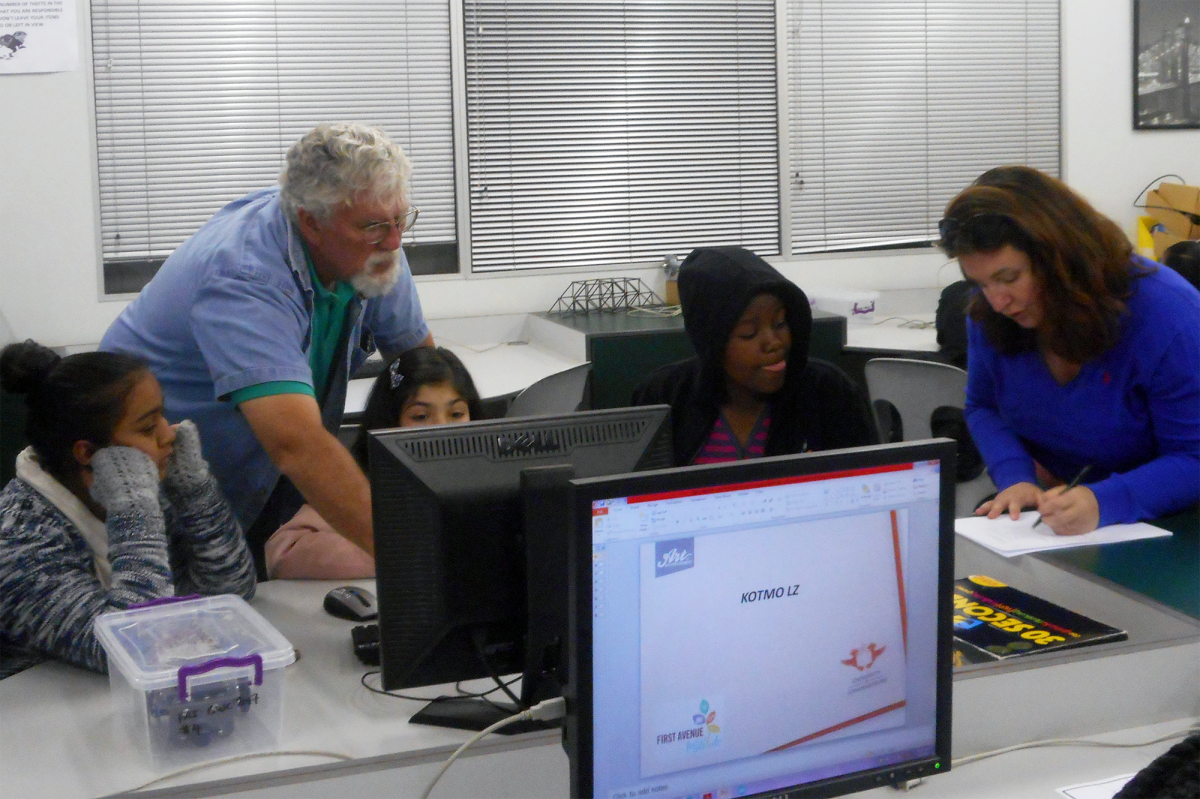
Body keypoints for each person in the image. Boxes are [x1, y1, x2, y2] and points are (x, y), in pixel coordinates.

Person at [100, 123, 434, 578]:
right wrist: (426, 560)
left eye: (401, 220)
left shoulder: (372, 241)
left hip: (263, 468)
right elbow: (296, 445)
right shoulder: (246, 275)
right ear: (310, 222)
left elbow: (423, 371)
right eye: (375, 226)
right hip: (159, 478)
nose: (394, 241)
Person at [941, 165, 1200, 536]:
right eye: (980, 283)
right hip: (1061, 519)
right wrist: (1015, 476)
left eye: (1009, 277)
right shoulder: (991, 315)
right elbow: (984, 406)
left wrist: (1105, 500)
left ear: (1061, 258)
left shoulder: (1166, 315)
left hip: (1171, 527)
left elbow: (1194, 458)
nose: (997, 301)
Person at [0, 342, 255, 679]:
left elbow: (231, 592)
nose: (169, 435)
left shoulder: (145, 492)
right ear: (87, 453)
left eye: (163, 415)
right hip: (44, 714)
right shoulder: (19, 539)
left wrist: (194, 491)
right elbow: (133, 649)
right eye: (148, 428)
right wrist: (135, 514)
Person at [631, 246, 878, 465]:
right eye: (749, 332)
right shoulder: (664, 399)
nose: (774, 343)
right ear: (712, 343)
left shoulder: (830, 394)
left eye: (781, 323)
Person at [265, 347, 481, 579]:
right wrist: (407, 552)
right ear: (390, 421)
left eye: (457, 414)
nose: (441, 430)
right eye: (420, 416)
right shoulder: (364, 481)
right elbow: (283, 552)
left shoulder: (489, 478)